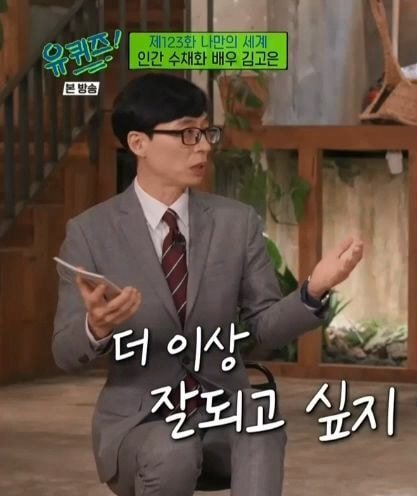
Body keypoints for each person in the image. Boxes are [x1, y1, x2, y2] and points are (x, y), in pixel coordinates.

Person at [51, 72, 364, 496]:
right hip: (140, 426)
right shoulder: (90, 232)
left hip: (222, 414)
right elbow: (65, 352)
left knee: (261, 421)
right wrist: (97, 327)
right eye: (187, 134)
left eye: (205, 132)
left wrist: (312, 291)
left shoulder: (236, 223)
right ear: (139, 143)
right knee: (173, 447)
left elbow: (261, 330)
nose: (203, 146)